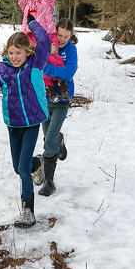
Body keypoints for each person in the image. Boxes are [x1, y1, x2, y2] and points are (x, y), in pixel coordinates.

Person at [0, 16, 50, 229]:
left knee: (23, 170)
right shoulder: (2, 70)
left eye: (19, 52)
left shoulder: (35, 63)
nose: (15, 57)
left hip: (32, 122)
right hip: (14, 124)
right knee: (18, 168)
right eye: (11, 53)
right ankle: (38, 164)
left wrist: (32, 24)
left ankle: (28, 212)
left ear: (27, 52)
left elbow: (44, 41)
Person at [34, 18, 78, 197]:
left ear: (71, 36)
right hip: (45, 101)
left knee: (49, 139)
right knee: (49, 138)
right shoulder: (46, 46)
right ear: (55, 32)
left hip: (62, 102)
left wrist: (48, 68)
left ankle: (49, 182)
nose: (62, 39)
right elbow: (37, 64)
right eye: (60, 35)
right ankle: (59, 141)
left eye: (66, 36)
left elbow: (69, 72)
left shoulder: (71, 50)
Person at [17, 0, 69, 103]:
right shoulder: (26, 6)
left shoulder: (47, 4)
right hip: (32, 37)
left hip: (48, 35)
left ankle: (61, 83)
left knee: (54, 58)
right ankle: (49, 88)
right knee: (40, 63)